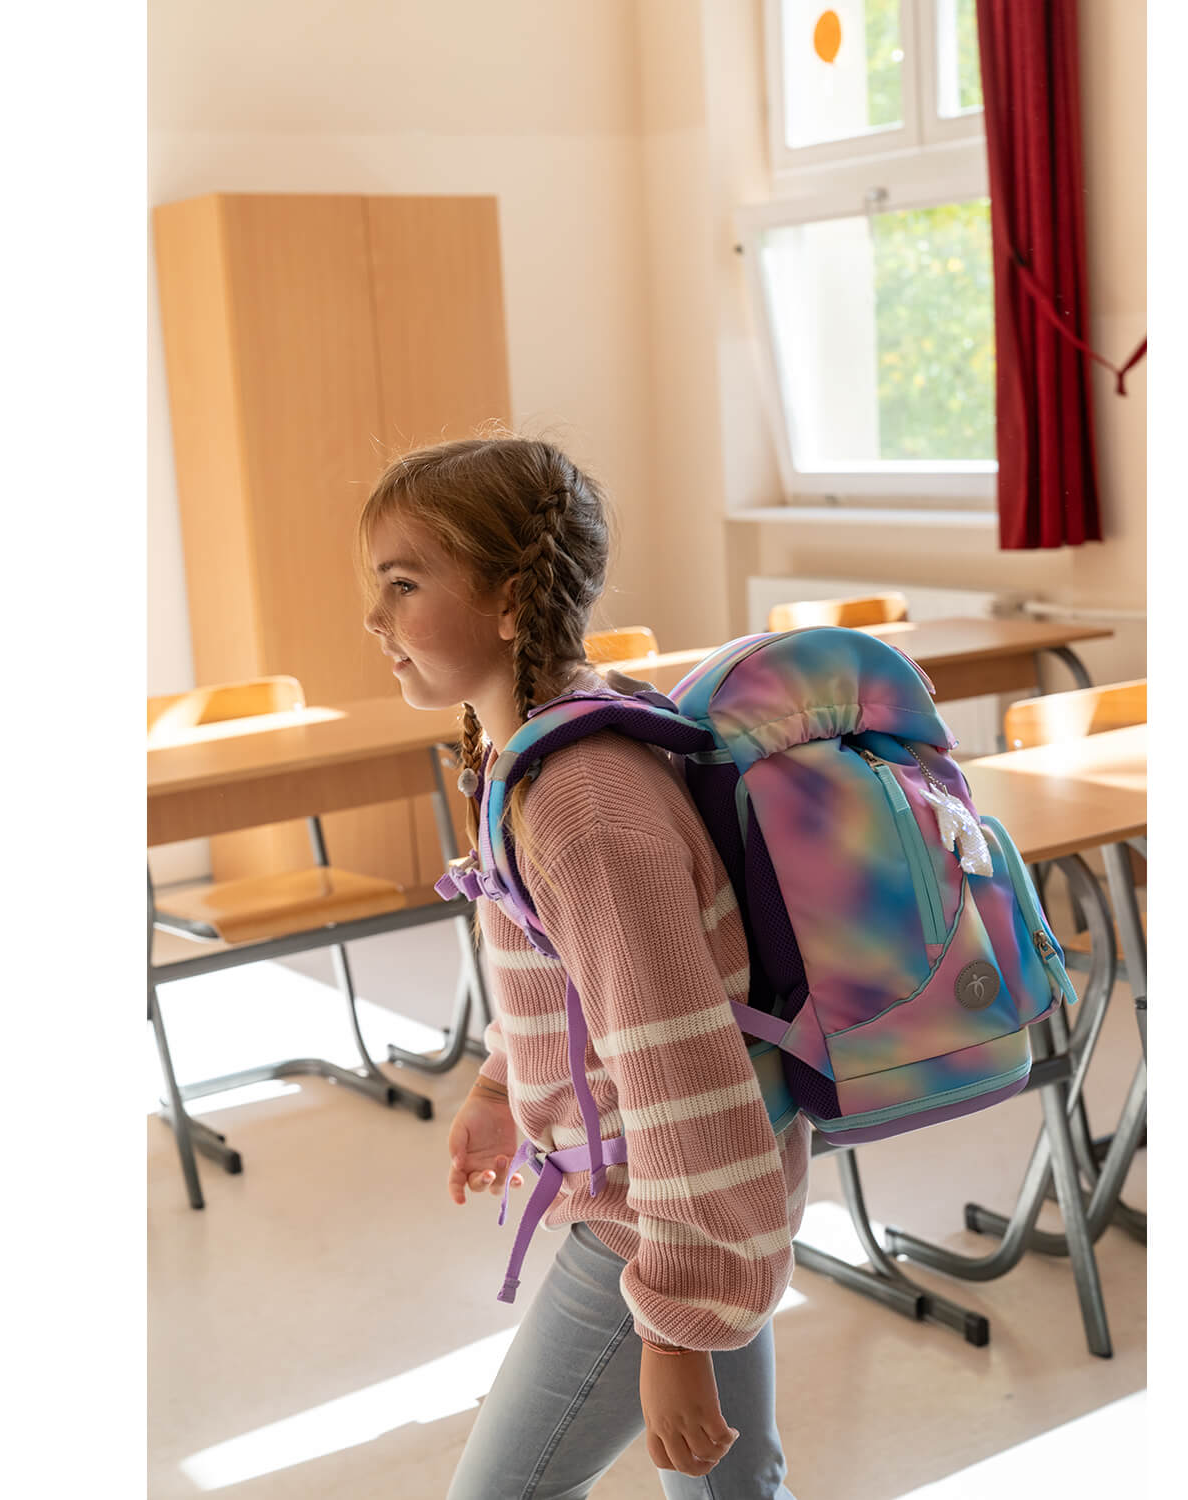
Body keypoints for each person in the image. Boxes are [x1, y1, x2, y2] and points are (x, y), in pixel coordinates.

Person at [358, 433, 809, 1499]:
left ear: (510, 599)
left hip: (653, 1216)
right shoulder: (536, 748)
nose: (373, 618)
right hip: (705, 1194)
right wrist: (498, 1087)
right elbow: (572, 985)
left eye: (404, 585)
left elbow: (680, 1068)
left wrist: (676, 1327)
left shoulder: (580, 806)